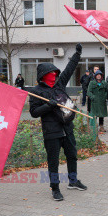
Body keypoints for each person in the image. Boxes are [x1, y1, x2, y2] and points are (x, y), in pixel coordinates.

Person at [29, 43, 87, 201]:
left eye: (55, 73)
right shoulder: (36, 92)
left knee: (72, 156)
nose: (54, 75)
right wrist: (48, 106)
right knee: (53, 162)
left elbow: (69, 69)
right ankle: (55, 188)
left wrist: (77, 55)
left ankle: (73, 181)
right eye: (51, 73)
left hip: (67, 128)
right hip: (52, 132)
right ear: (43, 76)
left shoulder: (59, 84)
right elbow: (34, 113)